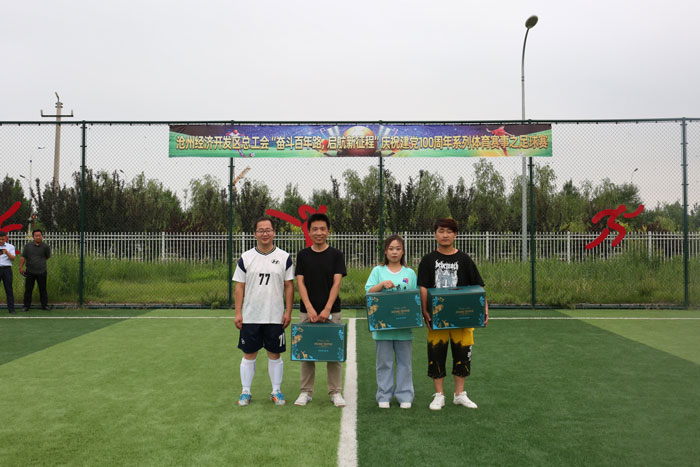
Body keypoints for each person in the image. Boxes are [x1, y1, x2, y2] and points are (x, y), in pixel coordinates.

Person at [417, 218, 489, 411]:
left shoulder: (464, 259)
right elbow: (423, 287)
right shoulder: (428, 260)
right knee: (436, 354)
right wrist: (425, 310)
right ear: (435, 234)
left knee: (462, 355)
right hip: (438, 317)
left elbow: (478, 286)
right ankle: (439, 395)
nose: (445, 235)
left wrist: (484, 308)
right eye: (441, 231)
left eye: (449, 231)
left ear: (455, 235)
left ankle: (459, 394)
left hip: (463, 318)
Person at [233, 217, 294, 406]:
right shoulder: (246, 257)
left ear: (274, 232)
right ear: (255, 234)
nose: (265, 233)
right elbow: (239, 287)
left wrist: (288, 311)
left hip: (275, 316)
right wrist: (238, 312)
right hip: (251, 315)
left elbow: (289, 286)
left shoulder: (284, 257)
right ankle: (245, 391)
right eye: (261, 230)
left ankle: (276, 391)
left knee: (274, 354)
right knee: (249, 354)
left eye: (268, 230)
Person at [294, 213, 347, 407]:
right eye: (315, 229)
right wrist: (309, 308)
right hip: (307, 312)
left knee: (333, 352)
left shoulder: (336, 255)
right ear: (309, 232)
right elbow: (300, 283)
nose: (319, 232)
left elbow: (336, 283)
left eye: (322, 229)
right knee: (307, 352)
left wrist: (326, 309)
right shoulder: (302, 255)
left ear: (328, 231)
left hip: (332, 311)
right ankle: (305, 392)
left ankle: (335, 392)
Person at [364, 234, 416, 409]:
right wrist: (381, 285)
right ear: (385, 251)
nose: (394, 252)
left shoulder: (410, 273)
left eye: (398, 249)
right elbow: (368, 292)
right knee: (384, 363)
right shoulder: (378, 271)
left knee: (405, 364)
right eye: (391, 248)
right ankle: (384, 395)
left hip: (404, 328)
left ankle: (405, 395)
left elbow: (414, 298)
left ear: (403, 252)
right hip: (383, 328)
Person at [20, 229, 52, 312]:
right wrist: (21, 267)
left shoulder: (46, 247)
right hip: (30, 271)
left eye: (39, 235)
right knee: (28, 289)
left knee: (43, 289)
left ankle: (45, 305)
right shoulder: (28, 246)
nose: (38, 237)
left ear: (42, 236)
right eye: (36, 236)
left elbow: (47, 257)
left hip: (42, 272)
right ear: (33, 237)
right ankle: (26, 306)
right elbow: (23, 257)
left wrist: (39, 263)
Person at [0, 231, 17, 314]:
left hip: (7, 269)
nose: (1, 241)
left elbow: (13, 258)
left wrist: (7, 252)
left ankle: (11, 309)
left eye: (2, 239)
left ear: (6, 238)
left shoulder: (10, 247)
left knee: (9, 289)